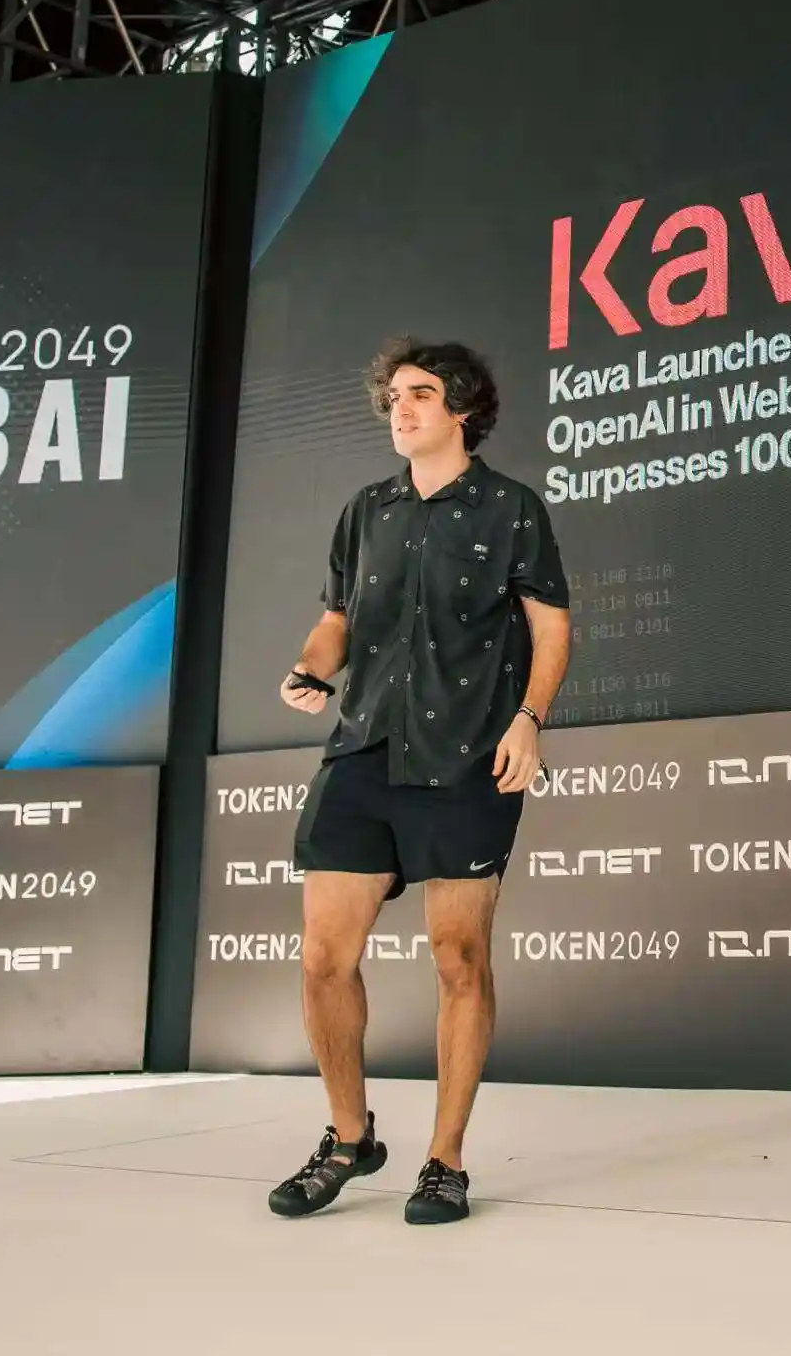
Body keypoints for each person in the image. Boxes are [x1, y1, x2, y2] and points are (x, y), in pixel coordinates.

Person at [266, 339, 570, 1224]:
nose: (400, 408)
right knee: (323, 957)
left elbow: (552, 631)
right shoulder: (367, 511)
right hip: (362, 751)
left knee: (458, 959)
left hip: (468, 757)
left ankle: (445, 1159)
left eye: (421, 394)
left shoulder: (512, 509)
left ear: (463, 410)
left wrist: (529, 719)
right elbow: (336, 621)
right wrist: (310, 666)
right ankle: (349, 1139)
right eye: (393, 396)